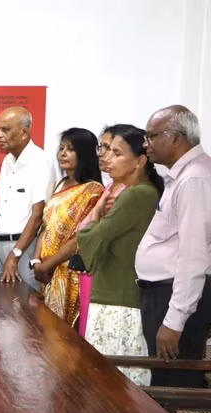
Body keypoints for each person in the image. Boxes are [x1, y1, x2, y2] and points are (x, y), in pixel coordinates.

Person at [77, 124, 163, 386]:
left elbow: (89, 237)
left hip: (119, 298)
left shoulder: (137, 194)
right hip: (116, 294)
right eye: (108, 151)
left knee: (113, 383)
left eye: (117, 153)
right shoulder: (137, 192)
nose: (108, 158)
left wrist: (97, 211)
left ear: (139, 161)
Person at [136, 105, 211, 387]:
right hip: (162, 293)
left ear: (175, 137)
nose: (145, 144)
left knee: (173, 384)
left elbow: (194, 256)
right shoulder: (182, 175)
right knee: (165, 381)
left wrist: (174, 321)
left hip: (174, 297)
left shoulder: (194, 179)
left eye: (151, 136)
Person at [32, 128, 103, 327]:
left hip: (68, 272)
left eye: (70, 149)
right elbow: (46, 227)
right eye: (61, 148)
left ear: (85, 154)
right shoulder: (61, 184)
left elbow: (79, 239)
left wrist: (47, 265)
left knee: (62, 339)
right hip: (47, 272)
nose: (63, 153)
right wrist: (37, 261)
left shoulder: (93, 191)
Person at [0, 106, 57, 290]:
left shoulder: (40, 161)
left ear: (24, 132)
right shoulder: (7, 161)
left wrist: (15, 254)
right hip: (0, 246)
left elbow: (37, 215)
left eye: (5, 129)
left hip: (23, 248)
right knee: (0, 311)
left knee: (22, 312)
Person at [76, 126, 127, 337]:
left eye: (112, 150)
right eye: (102, 147)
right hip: (92, 270)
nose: (103, 155)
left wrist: (96, 214)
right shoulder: (110, 188)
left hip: (106, 274)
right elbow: (84, 229)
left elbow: (93, 233)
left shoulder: (125, 192)